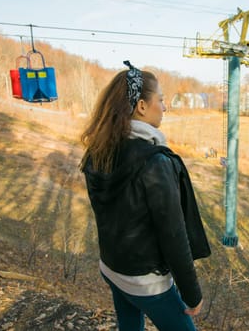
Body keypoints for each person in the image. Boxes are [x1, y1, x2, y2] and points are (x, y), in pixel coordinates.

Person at [80, 60, 211, 331]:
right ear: (141, 106)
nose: (164, 107)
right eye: (160, 100)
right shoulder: (155, 163)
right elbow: (173, 234)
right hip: (145, 282)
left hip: (112, 269)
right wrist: (192, 293)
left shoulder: (99, 150)